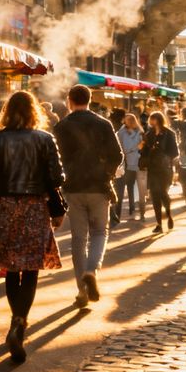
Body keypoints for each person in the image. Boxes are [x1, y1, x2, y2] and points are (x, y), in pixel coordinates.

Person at [0, 91, 65, 362]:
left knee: (11, 267)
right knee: (30, 267)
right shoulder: (44, 139)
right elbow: (56, 176)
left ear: (7, 112)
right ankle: (20, 321)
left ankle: (15, 319)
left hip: (7, 206)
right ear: (34, 112)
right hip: (34, 207)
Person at [54, 84, 124, 310]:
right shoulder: (103, 124)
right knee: (99, 232)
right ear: (90, 98)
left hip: (73, 187)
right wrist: (108, 173)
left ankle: (81, 291)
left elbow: (57, 159)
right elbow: (117, 154)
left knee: (78, 238)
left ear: (70, 100)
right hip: (98, 186)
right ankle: (91, 271)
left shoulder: (62, 126)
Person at [140, 112, 179, 233]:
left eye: (153, 119)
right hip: (152, 168)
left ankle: (168, 214)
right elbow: (144, 152)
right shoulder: (148, 134)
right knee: (154, 195)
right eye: (151, 119)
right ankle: (159, 224)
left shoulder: (169, 133)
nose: (151, 121)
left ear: (158, 120)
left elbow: (175, 152)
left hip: (164, 169)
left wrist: (165, 157)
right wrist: (142, 149)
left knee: (163, 193)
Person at [114, 114, 144, 224]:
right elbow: (124, 148)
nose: (126, 123)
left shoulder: (139, 132)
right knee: (120, 190)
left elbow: (141, 146)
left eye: (128, 120)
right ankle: (117, 213)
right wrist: (135, 147)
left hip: (134, 162)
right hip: (123, 163)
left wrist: (135, 148)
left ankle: (132, 210)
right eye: (125, 120)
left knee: (131, 187)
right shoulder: (121, 133)